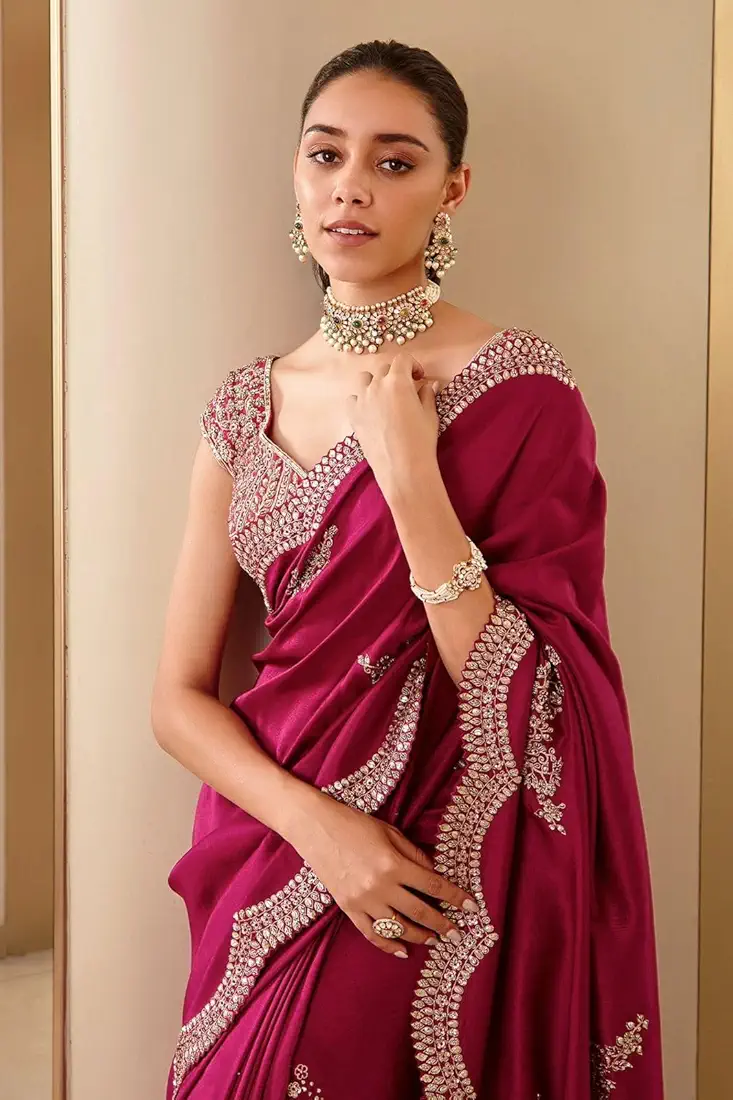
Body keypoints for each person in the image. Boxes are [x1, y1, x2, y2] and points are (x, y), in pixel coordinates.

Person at [151, 38, 664, 1100]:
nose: (351, 186)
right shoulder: (241, 409)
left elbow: (539, 695)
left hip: (438, 853)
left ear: (451, 188)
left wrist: (408, 473)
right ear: (296, 174)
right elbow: (177, 699)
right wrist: (322, 832)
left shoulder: (520, 392)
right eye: (325, 154)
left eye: (394, 161)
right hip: (279, 844)